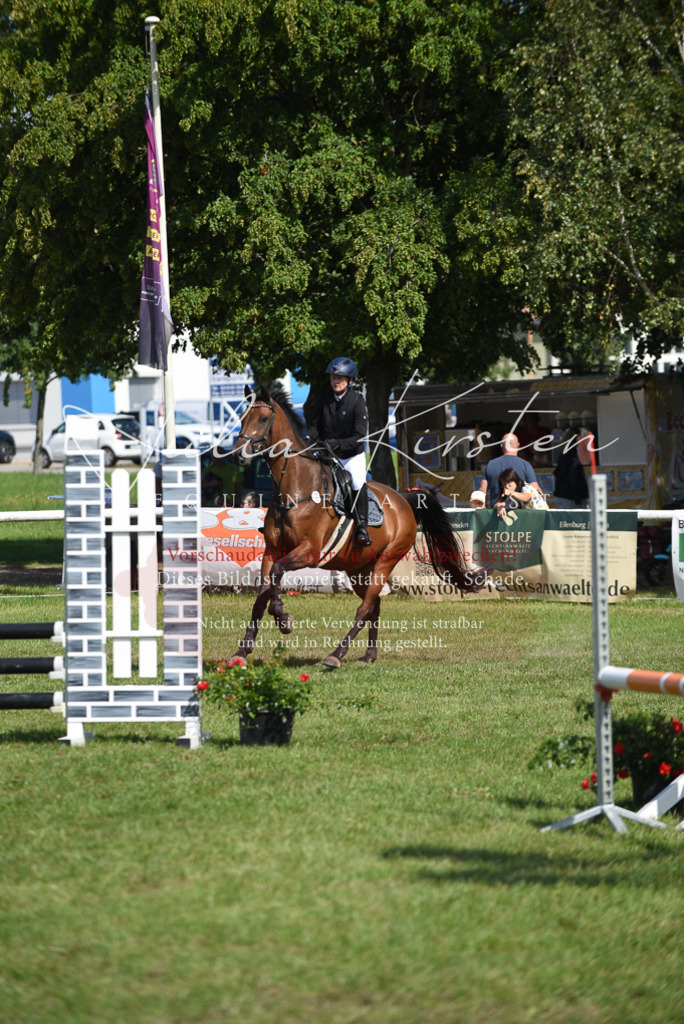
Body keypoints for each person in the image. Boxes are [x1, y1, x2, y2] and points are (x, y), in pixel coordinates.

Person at [305, 356, 372, 546]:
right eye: (333, 377)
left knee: (358, 482)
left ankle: (362, 528)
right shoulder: (325, 398)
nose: (335, 381)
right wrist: (306, 440)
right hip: (327, 454)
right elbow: (316, 425)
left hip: (350, 456)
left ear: (350, 381)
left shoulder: (357, 401)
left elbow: (359, 435)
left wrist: (337, 444)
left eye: (340, 378)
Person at [476, 433, 541, 508]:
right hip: (520, 515)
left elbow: (482, 492)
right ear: (518, 445)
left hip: (496, 513)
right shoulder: (525, 465)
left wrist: (483, 513)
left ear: (501, 445)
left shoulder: (491, 464)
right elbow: (535, 489)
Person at [554, 430, 589, 508]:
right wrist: (578, 500)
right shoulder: (573, 456)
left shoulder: (562, 454)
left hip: (562, 494)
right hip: (572, 498)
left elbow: (557, 473)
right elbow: (574, 478)